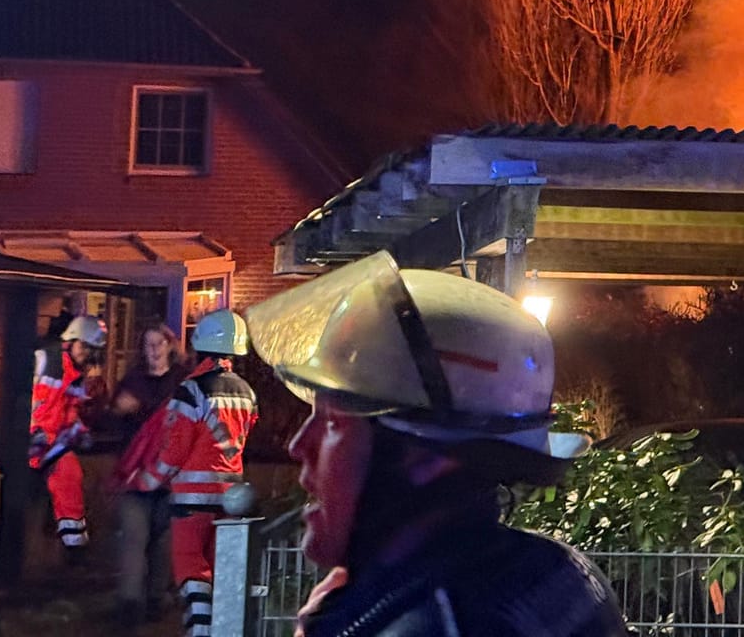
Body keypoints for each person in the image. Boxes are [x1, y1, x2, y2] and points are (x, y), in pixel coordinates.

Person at [245, 251, 625, 637]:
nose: (299, 446)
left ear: (424, 456)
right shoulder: (553, 573)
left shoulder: (435, 623)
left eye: (332, 423)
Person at [129, 310, 257, 637]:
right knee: (218, 570)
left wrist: (149, 480)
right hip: (232, 499)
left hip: (191, 498)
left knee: (190, 565)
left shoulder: (191, 390)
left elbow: (175, 449)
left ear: (201, 345)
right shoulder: (247, 392)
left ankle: (200, 629)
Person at [109, 322, 189, 624]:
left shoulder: (183, 382)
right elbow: (112, 419)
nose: (154, 350)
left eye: (159, 343)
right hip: (136, 474)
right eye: (148, 345)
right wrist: (118, 410)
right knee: (133, 537)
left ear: (170, 346)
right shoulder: (133, 380)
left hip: (171, 477)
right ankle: (129, 604)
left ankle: (155, 598)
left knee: (163, 540)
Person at [29, 313, 107, 559]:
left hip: (47, 442)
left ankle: (73, 545)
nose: (85, 353)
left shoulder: (76, 377)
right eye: (83, 346)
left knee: (70, 473)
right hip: (29, 441)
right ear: (70, 340)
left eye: (90, 349)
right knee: (67, 472)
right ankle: (73, 544)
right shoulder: (43, 360)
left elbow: (69, 413)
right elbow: (23, 398)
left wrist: (79, 432)